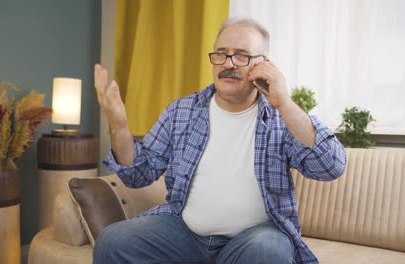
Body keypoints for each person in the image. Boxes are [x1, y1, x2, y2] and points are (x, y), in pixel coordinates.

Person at [93, 17, 346, 264]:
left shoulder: (282, 118)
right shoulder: (182, 111)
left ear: (264, 65)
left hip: (256, 237)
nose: (229, 63)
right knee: (113, 240)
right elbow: (138, 173)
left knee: (269, 251)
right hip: (185, 233)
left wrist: (284, 103)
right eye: (221, 53)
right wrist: (119, 125)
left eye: (241, 55)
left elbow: (330, 166)